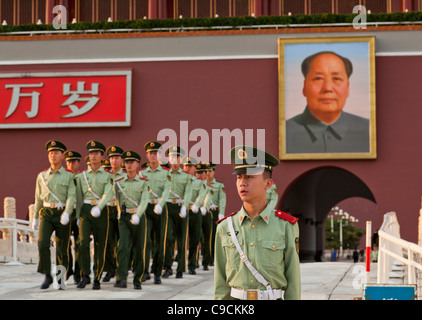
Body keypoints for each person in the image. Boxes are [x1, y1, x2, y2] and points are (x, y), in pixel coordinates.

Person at [214, 145, 301, 300]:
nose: (242, 183)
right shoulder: (225, 227)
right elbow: (220, 283)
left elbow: (293, 280)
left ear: (267, 184)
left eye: (249, 177)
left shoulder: (286, 226)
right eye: (239, 177)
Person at [285, 51, 369, 154]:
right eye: (318, 78)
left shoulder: (370, 130)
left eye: (336, 78)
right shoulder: (283, 132)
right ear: (304, 87)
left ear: (347, 88)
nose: (328, 88)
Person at [33, 140, 76, 289]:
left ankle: (60, 278)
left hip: (62, 212)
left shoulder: (69, 176)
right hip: (46, 212)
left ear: (62, 156)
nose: (53, 156)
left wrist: (67, 212)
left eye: (56, 153)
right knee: (42, 243)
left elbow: (71, 195)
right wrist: (35, 218)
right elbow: (38, 198)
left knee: (62, 247)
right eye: (50, 153)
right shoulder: (42, 176)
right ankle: (47, 275)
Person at [76, 140, 114, 290]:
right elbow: (78, 197)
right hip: (85, 210)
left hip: (101, 211)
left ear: (101, 155)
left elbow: (108, 193)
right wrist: (78, 215)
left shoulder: (108, 175)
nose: (92, 156)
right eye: (90, 153)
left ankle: (97, 277)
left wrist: (99, 207)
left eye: (96, 153)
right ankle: (85, 275)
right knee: (83, 243)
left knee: (100, 245)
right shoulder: (81, 176)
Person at [114, 150, 149, 289]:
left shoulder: (143, 182)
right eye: (127, 162)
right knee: (123, 247)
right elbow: (115, 197)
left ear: (137, 164)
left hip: (139, 218)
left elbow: (145, 200)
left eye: (131, 162)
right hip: (124, 218)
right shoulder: (118, 182)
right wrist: (118, 212)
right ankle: (121, 278)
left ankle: (137, 279)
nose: (128, 165)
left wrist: (138, 214)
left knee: (139, 249)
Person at [138, 141, 171, 284]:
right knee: (146, 241)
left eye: (155, 153)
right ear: (146, 155)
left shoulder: (166, 172)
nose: (153, 155)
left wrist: (161, 204)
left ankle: (157, 272)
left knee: (160, 242)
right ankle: (145, 271)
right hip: (146, 209)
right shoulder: (141, 173)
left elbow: (167, 190)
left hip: (160, 209)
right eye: (150, 153)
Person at [162, 147, 192, 278]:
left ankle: (180, 268)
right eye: (171, 157)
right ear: (168, 159)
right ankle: (167, 266)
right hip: (167, 207)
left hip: (181, 207)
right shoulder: (164, 174)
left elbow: (188, 192)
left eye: (177, 157)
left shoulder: (186, 176)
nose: (174, 160)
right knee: (167, 237)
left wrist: (185, 206)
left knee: (181, 238)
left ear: (180, 159)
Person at [102, 145, 126, 283]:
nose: (114, 160)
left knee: (122, 242)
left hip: (122, 211)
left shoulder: (126, 175)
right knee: (108, 241)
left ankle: (121, 268)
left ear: (121, 160)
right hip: (107, 209)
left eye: (116, 158)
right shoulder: (105, 175)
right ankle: (109, 269)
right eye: (111, 158)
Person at [182, 157, 208, 275]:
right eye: (185, 166)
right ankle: (181, 266)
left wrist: (197, 205)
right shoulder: (178, 180)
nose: (187, 168)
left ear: (194, 168)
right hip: (182, 211)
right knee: (181, 239)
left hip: (194, 211)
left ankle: (192, 264)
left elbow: (202, 195)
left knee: (194, 239)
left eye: (190, 166)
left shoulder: (200, 182)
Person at [64, 150, 82, 285]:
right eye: (68, 161)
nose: (70, 164)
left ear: (78, 163)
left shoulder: (82, 178)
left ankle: (78, 272)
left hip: (78, 212)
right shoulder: (63, 177)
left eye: (73, 161)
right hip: (66, 212)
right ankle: (68, 268)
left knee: (79, 244)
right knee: (64, 243)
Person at [204, 162, 226, 266]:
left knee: (212, 236)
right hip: (202, 211)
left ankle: (211, 258)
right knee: (201, 236)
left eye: (209, 171)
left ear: (214, 172)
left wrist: (221, 213)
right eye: (206, 171)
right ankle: (203, 258)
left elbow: (222, 199)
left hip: (213, 211)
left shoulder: (219, 185)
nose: (207, 173)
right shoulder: (201, 184)